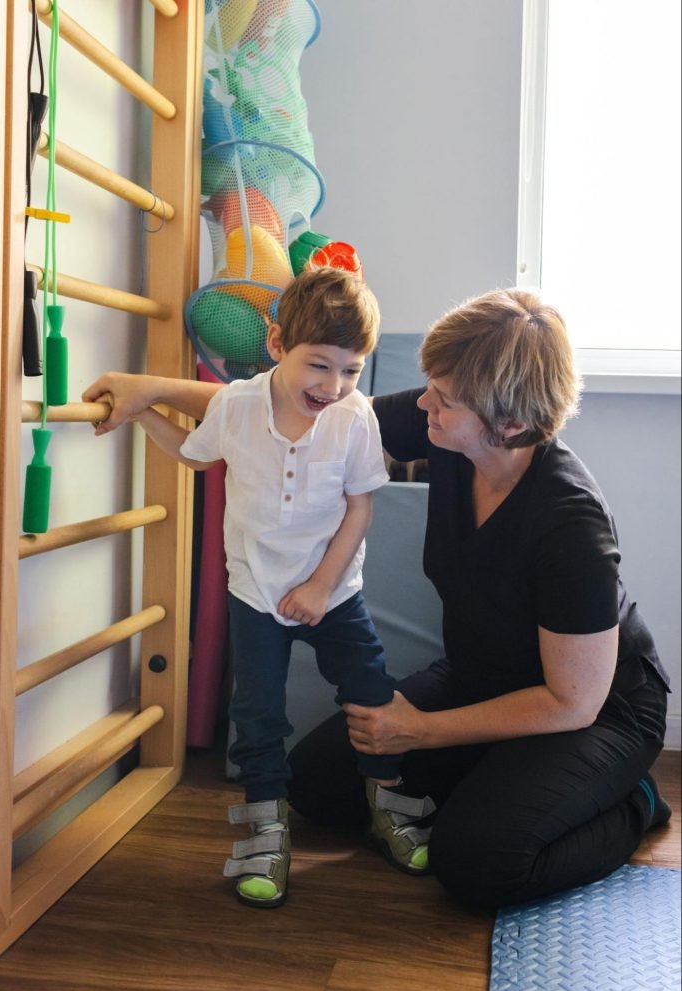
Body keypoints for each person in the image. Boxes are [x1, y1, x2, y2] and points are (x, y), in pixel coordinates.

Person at [285, 287, 671, 909]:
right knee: (316, 784)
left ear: (510, 422)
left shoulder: (570, 523)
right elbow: (304, 411)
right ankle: (498, 775)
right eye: (430, 386)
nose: (423, 404)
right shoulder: (453, 431)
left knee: (478, 865)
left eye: (444, 398)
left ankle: (634, 801)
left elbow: (572, 700)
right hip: (481, 678)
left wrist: (421, 731)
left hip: (597, 711)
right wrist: (156, 394)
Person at [83, 268, 435, 909]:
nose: (333, 386)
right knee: (257, 713)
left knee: (369, 691)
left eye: (351, 370)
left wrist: (323, 586)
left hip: (335, 592)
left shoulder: (354, 418)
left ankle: (389, 803)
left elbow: (360, 509)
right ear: (276, 345)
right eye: (319, 366)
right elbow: (193, 456)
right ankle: (266, 829)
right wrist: (139, 414)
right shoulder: (239, 405)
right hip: (256, 592)